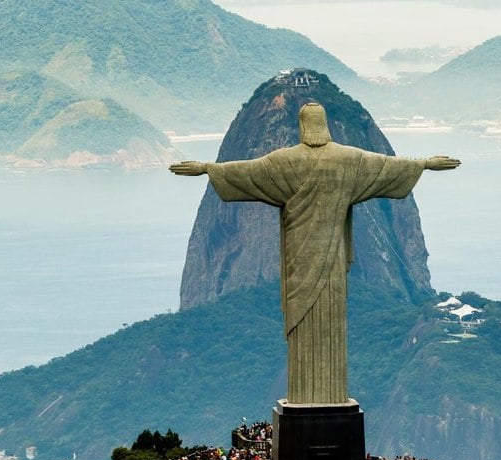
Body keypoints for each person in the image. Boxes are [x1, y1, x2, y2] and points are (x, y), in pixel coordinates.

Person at [170, 102, 459, 405]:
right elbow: (388, 166)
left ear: (302, 126)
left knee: (307, 321)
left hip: (299, 257)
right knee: (329, 322)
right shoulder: (348, 160)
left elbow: (248, 172)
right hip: (332, 260)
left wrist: (206, 169)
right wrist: (425, 163)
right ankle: (328, 396)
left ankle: (313, 397)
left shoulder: (285, 162)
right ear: (325, 125)